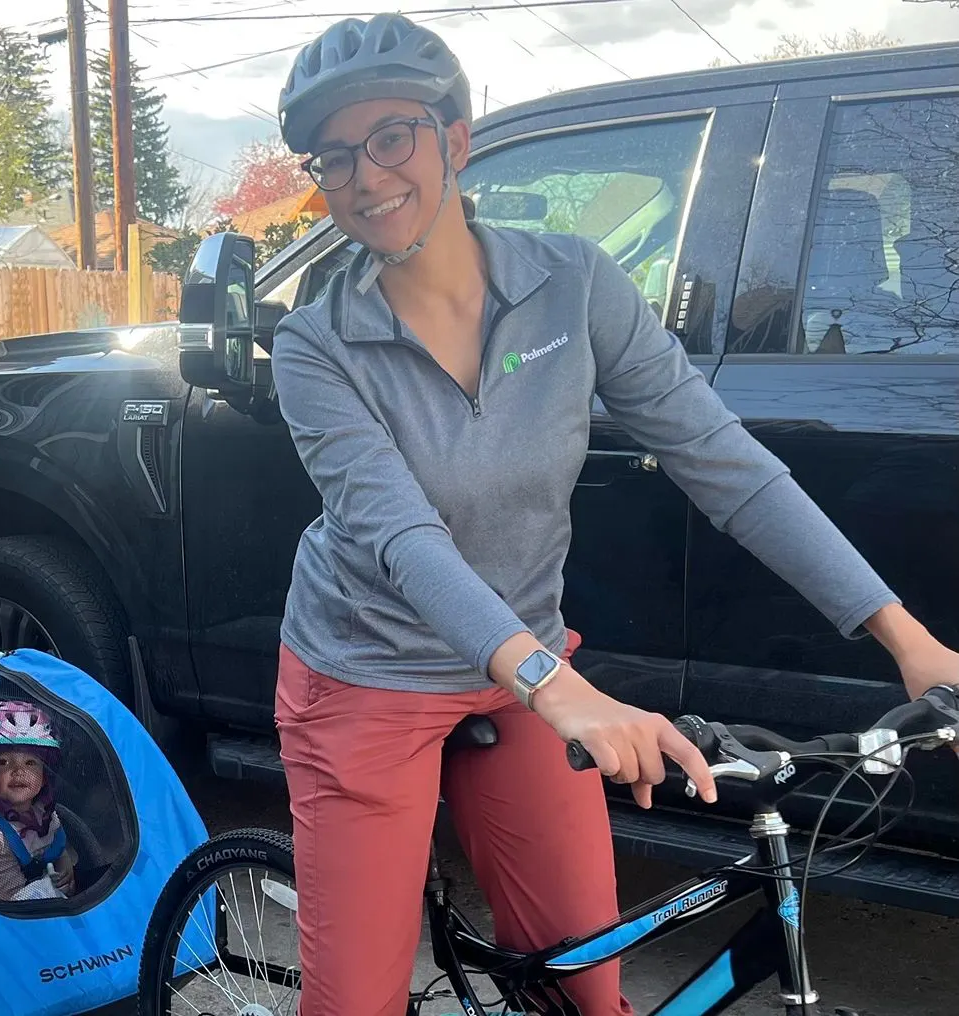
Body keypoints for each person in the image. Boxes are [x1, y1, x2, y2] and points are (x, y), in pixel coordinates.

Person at [267, 13, 959, 1016]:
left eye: (392, 137)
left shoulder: (573, 284)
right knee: (357, 1004)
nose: (366, 176)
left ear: (456, 140)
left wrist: (906, 637)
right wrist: (561, 687)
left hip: (523, 670)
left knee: (590, 986)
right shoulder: (316, 345)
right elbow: (401, 537)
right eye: (336, 156)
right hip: (366, 676)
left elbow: (724, 462)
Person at [0, 700, 79, 901]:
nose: (19, 772)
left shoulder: (45, 813)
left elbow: (58, 850)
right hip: (9, 916)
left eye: (30, 763)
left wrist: (66, 871)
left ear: (45, 776)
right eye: (4, 762)